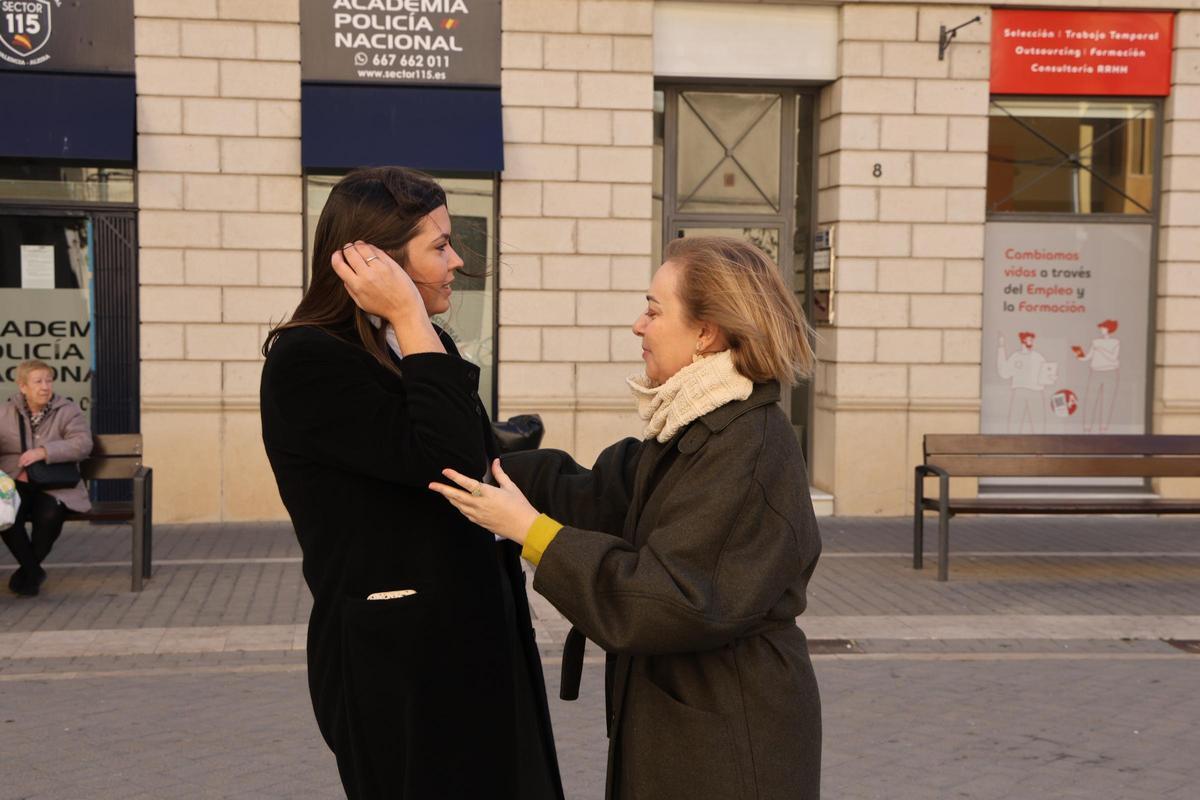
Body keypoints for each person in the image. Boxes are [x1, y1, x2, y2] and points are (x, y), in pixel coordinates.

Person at [432, 236, 824, 799]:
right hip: (697, 726)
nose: (639, 326)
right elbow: (597, 494)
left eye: (654, 311)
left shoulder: (748, 446)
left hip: (728, 745)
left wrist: (530, 531)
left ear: (706, 333)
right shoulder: (700, 422)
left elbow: (668, 599)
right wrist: (477, 464)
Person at [259, 167, 563, 800]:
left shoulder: (414, 341)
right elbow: (449, 461)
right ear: (376, 260)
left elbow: (476, 461)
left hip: (479, 636)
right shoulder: (308, 360)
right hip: (400, 660)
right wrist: (406, 311)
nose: (457, 262)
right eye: (440, 246)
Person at [1, 359, 92, 596]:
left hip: (55, 484)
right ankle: (33, 572)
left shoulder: (67, 410)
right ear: (23, 386)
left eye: (48, 381)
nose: (45, 387)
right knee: (6, 515)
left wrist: (44, 452)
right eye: (38, 382)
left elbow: (83, 444)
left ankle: (27, 573)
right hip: (15, 482)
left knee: (50, 515)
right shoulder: (5, 412)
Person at [1074, 319, 1120, 433]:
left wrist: (1101, 349)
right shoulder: (1095, 341)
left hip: (1110, 373)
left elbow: (1113, 358)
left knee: (1107, 402)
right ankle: (1087, 427)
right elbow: (1088, 357)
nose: (1101, 329)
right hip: (1095, 372)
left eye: (1103, 327)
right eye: (1101, 328)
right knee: (1090, 400)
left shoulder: (1115, 342)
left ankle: (1103, 428)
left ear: (1109, 329)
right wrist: (1079, 355)